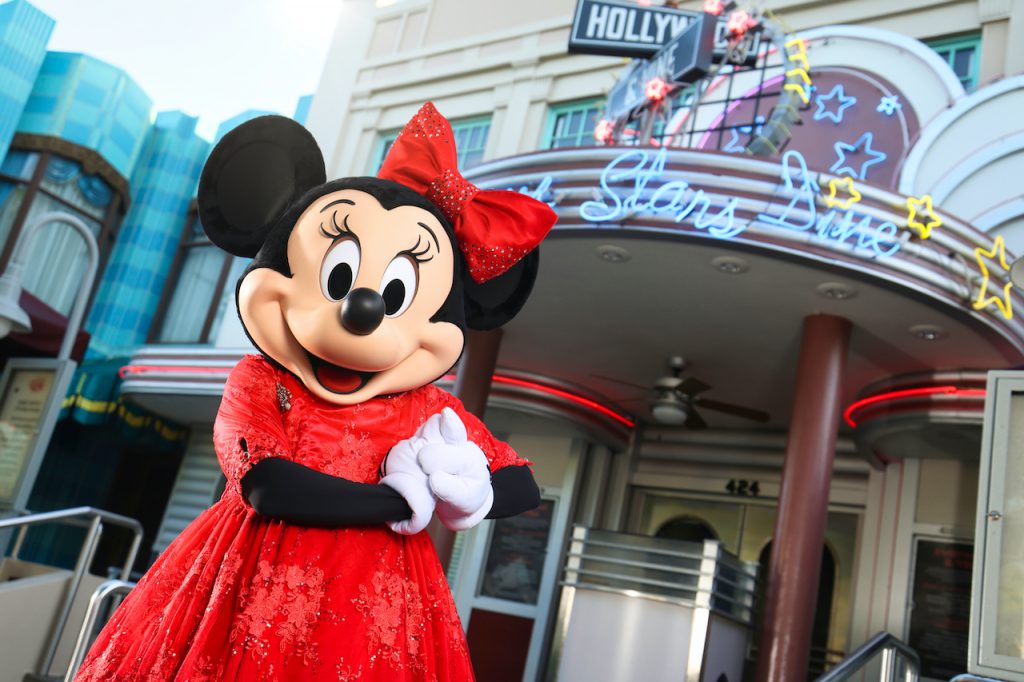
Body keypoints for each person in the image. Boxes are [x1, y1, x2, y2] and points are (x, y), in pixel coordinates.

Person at [75, 102, 556, 681]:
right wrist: (403, 501)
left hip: (378, 615)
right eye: (339, 278)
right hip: (250, 591)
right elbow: (266, 485)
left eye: (396, 291)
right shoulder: (262, 378)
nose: (363, 308)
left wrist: (467, 488)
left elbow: (522, 483)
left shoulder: (428, 408)